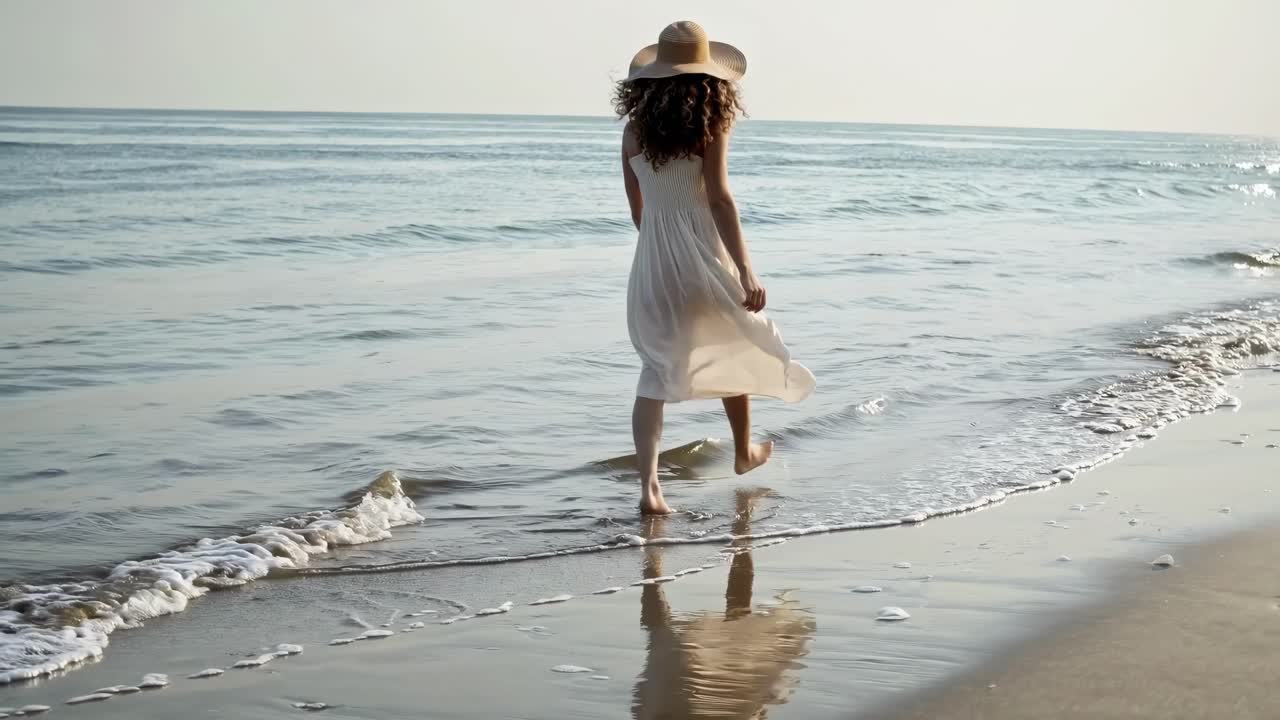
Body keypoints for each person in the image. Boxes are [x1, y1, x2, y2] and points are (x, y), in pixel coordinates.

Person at [614, 21, 816, 514]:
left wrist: (661, 252)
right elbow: (721, 200)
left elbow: (638, 211)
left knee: (654, 372)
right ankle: (744, 452)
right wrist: (746, 270)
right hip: (703, 255)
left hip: (653, 265)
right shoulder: (711, 127)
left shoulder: (633, 131)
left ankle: (650, 490)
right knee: (737, 339)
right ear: (711, 82)